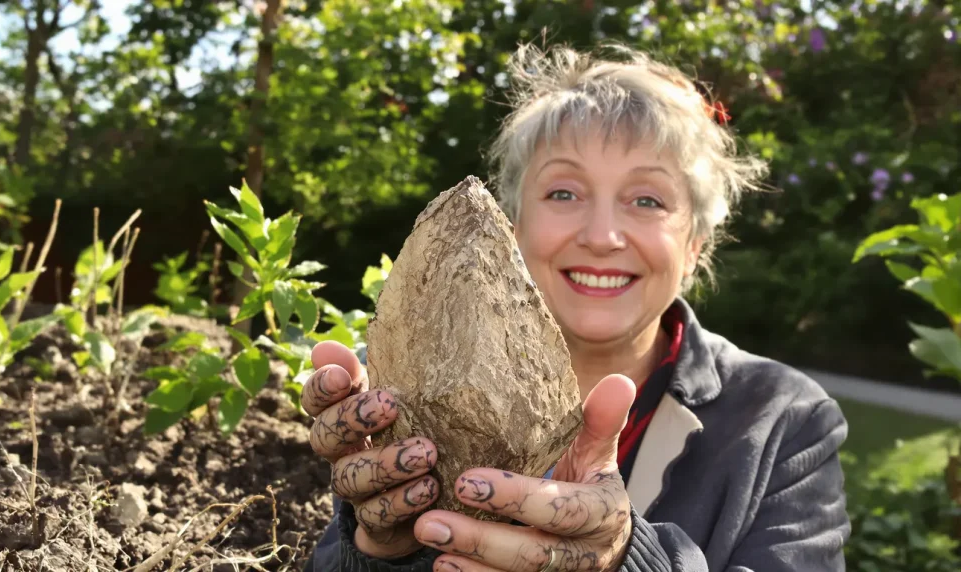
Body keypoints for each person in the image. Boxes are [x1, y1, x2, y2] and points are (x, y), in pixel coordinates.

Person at [301, 41, 851, 571]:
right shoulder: (401, 391)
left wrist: (625, 560)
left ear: (694, 246)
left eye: (647, 200)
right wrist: (382, 553)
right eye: (564, 193)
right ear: (511, 229)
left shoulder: (783, 420)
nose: (601, 235)